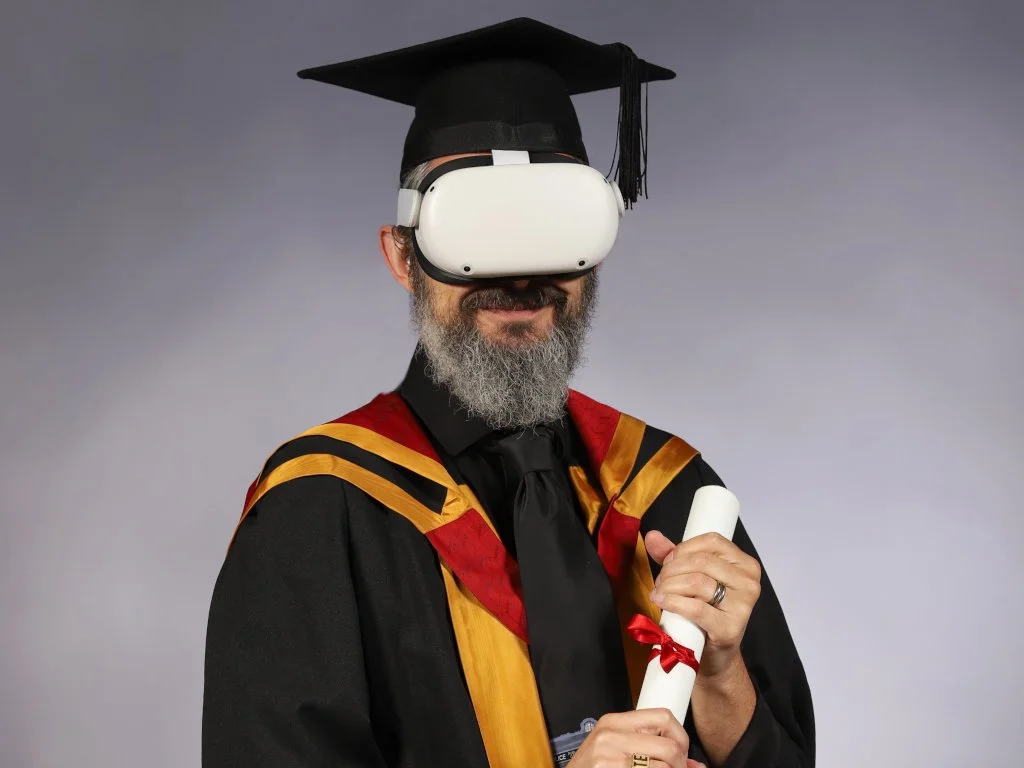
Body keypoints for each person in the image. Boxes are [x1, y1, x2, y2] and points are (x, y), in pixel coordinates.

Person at [202, 17, 814, 768]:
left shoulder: (669, 490)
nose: (518, 278)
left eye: (552, 229)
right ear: (403, 256)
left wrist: (719, 674)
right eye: (477, 235)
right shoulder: (319, 511)